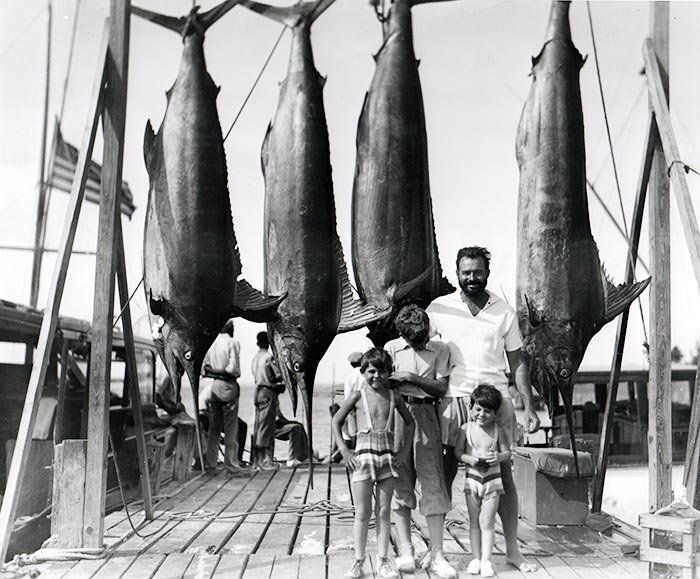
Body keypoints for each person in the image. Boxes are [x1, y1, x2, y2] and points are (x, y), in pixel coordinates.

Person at [426, 246, 541, 573]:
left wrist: (529, 406)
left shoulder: (504, 311)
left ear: (486, 273)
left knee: (503, 475)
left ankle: (513, 550)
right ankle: (437, 552)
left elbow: (517, 361)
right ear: (457, 273)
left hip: (498, 401)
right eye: (466, 273)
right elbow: (424, 351)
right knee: (445, 472)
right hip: (454, 399)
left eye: (477, 272)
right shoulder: (439, 308)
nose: (472, 278)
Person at [384, 305, 456, 579]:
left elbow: (441, 387)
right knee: (401, 481)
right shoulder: (391, 349)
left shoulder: (439, 349)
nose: (420, 342)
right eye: (414, 339)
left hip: (427, 413)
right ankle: (406, 549)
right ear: (402, 335)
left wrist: (412, 379)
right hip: (398, 415)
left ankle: (437, 553)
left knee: (433, 481)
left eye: (423, 336)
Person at [332, 348, 415, 579]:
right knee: (362, 512)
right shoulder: (358, 396)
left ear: (389, 372)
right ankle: (358, 561)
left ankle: (383, 560)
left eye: (381, 371)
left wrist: (403, 452)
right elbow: (336, 421)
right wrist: (345, 451)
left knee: (384, 510)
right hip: (362, 459)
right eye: (371, 371)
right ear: (363, 372)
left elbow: (410, 424)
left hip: (387, 459)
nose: (376, 376)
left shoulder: (394, 397)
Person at [454, 385, 511, 578]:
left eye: (488, 410)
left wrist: (499, 457)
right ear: (471, 408)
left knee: (487, 521)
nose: (482, 414)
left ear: (495, 413)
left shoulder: (498, 430)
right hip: (472, 480)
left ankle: (486, 560)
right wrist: (469, 459)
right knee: (473, 521)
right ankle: (475, 558)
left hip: (493, 481)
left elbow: (507, 452)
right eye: (478, 409)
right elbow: (458, 453)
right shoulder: (465, 429)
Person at [200, 318, 244, 472]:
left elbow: (205, 369)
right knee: (231, 426)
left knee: (214, 427)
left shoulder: (212, 343)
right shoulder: (232, 342)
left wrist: (214, 372)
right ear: (230, 328)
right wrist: (222, 372)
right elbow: (233, 370)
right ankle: (231, 464)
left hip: (214, 386)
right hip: (228, 386)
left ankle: (211, 462)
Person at [251, 331, 286, 469]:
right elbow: (278, 375)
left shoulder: (255, 357)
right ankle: (267, 461)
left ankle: (257, 461)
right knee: (267, 426)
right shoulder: (269, 357)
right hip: (268, 392)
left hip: (257, 391)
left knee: (258, 425)